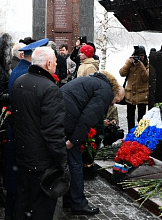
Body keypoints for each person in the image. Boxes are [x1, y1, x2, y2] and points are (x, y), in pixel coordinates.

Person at [11, 46, 66, 219]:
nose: (56, 65)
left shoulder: (20, 81)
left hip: (23, 153)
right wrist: (61, 161)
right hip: (42, 160)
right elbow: (53, 130)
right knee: (41, 207)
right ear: (49, 63)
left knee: (24, 200)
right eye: (55, 62)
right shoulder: (50, 89)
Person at [61, 71, 122, 216]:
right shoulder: (106, 92)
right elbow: (87, 119)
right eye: (118, 100)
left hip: (61, 112)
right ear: (115, 93)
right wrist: (73, 141)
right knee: (75, 163)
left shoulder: (95, 82)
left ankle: (69, 199)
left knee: (70, 160)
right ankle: (78, 203)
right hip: (68, 117)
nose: (114, 103)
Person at [119, 45, 149, 131]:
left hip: (142, 95)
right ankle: (130, 134)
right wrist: (128, 63)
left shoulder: (147, 64)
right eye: (138, 55)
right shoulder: (130, 63)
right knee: (130, 117)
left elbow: (146, 77)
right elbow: (122, 73)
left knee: (141, 118)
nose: (140, 57)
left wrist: (140, 65)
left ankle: (140, 136)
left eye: (142, 55)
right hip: (130, 94)